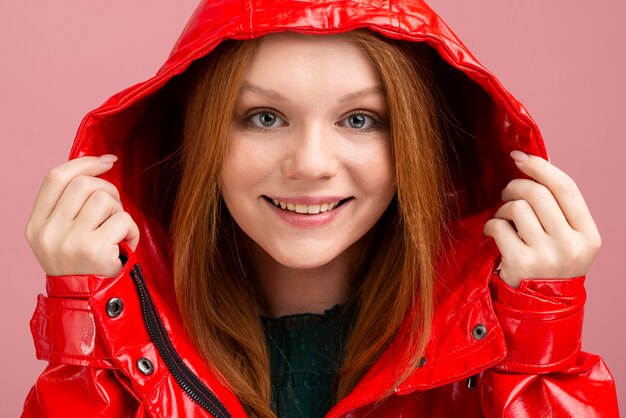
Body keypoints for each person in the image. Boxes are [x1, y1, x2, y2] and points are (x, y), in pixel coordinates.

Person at [21, 1, 619, 417]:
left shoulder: (495, 344)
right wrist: (85, 334)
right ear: (198, 138)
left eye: (360, 120)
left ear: (416, 143)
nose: (310, 164)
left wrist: (541, 338)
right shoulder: (130, 335)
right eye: (264, 117)